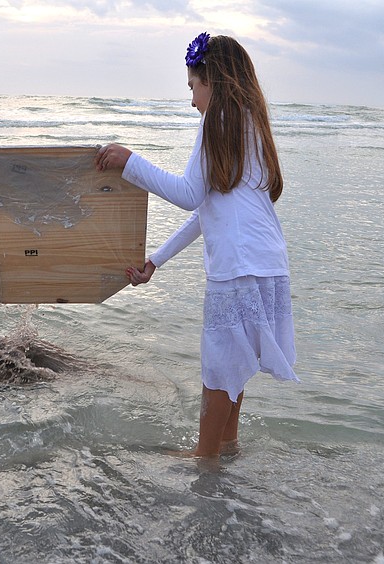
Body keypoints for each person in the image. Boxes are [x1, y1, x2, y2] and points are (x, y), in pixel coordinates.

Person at [95, 33, 298, 458]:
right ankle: (227, 446)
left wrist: (129, 162)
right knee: (236, 365)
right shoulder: (249, 123)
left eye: (192, 87)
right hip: (268, 262)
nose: (192, 101)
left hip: (238, 265)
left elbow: (188, 193)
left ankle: (203, 459)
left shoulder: (218, 121)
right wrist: (156, 260)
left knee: (220, 364)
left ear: (213, 80)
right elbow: (207, 210)